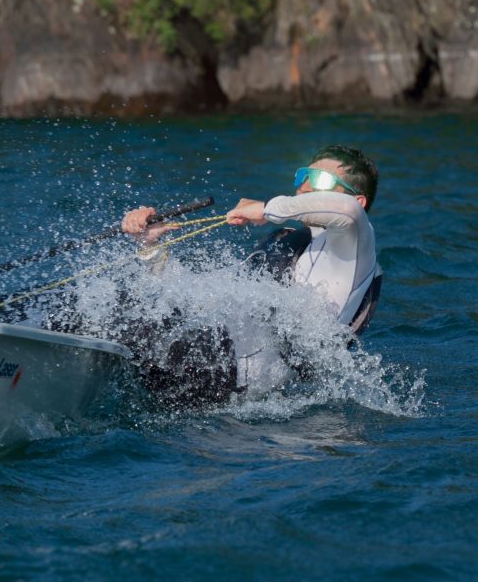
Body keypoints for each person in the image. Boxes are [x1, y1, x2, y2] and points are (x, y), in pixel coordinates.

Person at [118, 145, 382, 399]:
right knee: (131, 305)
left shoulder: (355, 245)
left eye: (319, 179)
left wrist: (267, 210)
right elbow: (185, 293)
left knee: (130, 323)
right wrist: (149, 244)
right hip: (206, 355)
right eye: (302, 175)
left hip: (231, 378)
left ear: (357, 198)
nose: (304, 186)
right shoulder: (286, 244)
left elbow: (347, 211)